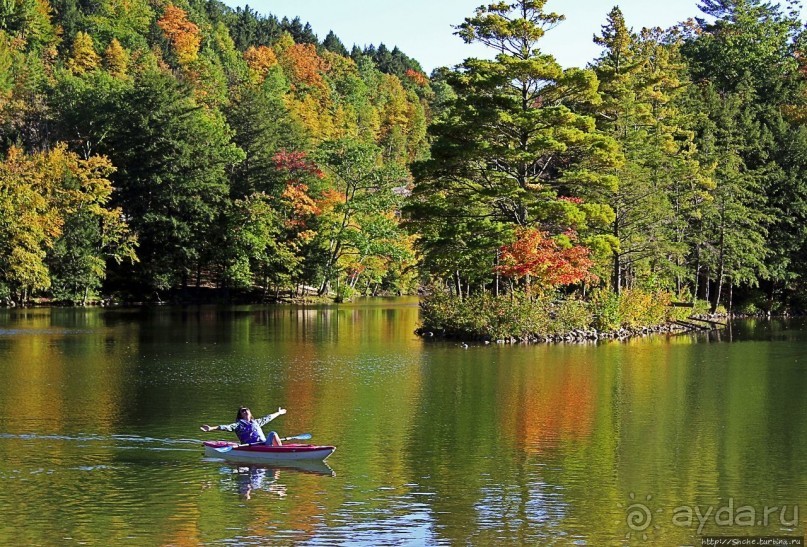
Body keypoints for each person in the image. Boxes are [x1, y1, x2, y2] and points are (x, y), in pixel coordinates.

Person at [201, 406, 286, 446]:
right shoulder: (239, 425)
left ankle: (280, 451)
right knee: (273, 433)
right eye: (243, 411)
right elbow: (226, 427)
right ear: (241, 415)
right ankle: (280, 452)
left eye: (246, 409)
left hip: (264, 444)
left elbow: (268, 417)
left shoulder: (256, 422)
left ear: (250, 412)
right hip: (251, 447)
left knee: (273, 433)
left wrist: (279, 413)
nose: (245, 411)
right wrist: (211, 428)